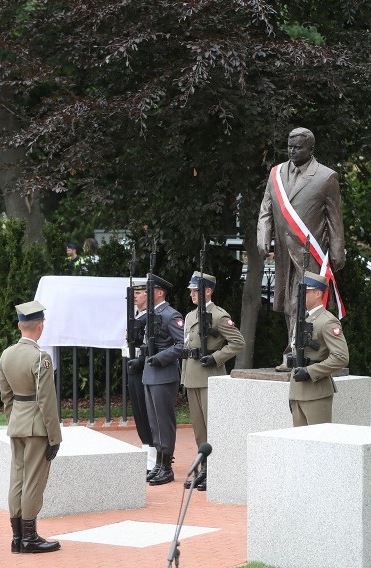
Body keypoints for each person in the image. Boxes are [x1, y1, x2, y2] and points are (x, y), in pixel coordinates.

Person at [257, 127, 346, 370]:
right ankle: (299, 350)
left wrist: (338, 251)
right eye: (289, 146)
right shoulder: (276, 174)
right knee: (288, 304)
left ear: (311, 149)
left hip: (311, 252)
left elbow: (334, 219)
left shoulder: (326, 177)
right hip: (285, 253)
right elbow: (266, 209)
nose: (292, 150)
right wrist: (263, 235)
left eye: (298, 147)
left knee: (303, 302)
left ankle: (297, 352)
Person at [0, 300, 62, 555]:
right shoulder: (40, 357)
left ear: (19, 326)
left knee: (17, 479)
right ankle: (30, 537)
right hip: (37, 427)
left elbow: (6, 397)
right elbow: (46, 400)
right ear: (41, 327)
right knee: (33, 482)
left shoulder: (7, 354)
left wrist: (13, 420)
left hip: (17, 424)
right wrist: (54, 436)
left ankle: (17, 538)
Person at [180, 271, 245, 490]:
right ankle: (204, 468)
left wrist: (216, 358)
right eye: (190, 291)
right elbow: (188, 347)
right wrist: (184, 379)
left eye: (195, 290)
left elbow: (237, 342)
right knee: (199, 429)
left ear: (208, 291)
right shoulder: (190, 316)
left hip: (210, 378)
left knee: (213, 427)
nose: (191, 294)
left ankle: (216, 470)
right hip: (192, 378)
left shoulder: (219, 316)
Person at [287, 271, 349, 426]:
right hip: (297, 390)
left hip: (316, 392)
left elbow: (341, 357)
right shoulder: (304, 318)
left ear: (318, 294)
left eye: (306, 292)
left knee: (318, 445)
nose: (302, 296)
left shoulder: (327, 321)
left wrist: (310, 371)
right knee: (300, 445)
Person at [142, 274, 184, 486]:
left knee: (164, 421)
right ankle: (159, 462)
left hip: (164, 374)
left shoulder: (170, 315)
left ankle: (166, 466)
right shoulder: (150, 315)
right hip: (150, 374)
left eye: (150, 290)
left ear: (160, 293)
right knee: (154, 422)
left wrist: (160, 358)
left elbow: (181, 344)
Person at [125, 279, 155, 472]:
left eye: (139, 292)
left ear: (148, 294)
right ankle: (146, 449)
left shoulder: (150, 317)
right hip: (133, 366)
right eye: (134, 292)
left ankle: (154, 454)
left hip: (144, 367)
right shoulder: (136, 316)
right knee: (138, 411)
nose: (135, 295)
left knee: (147, 411)